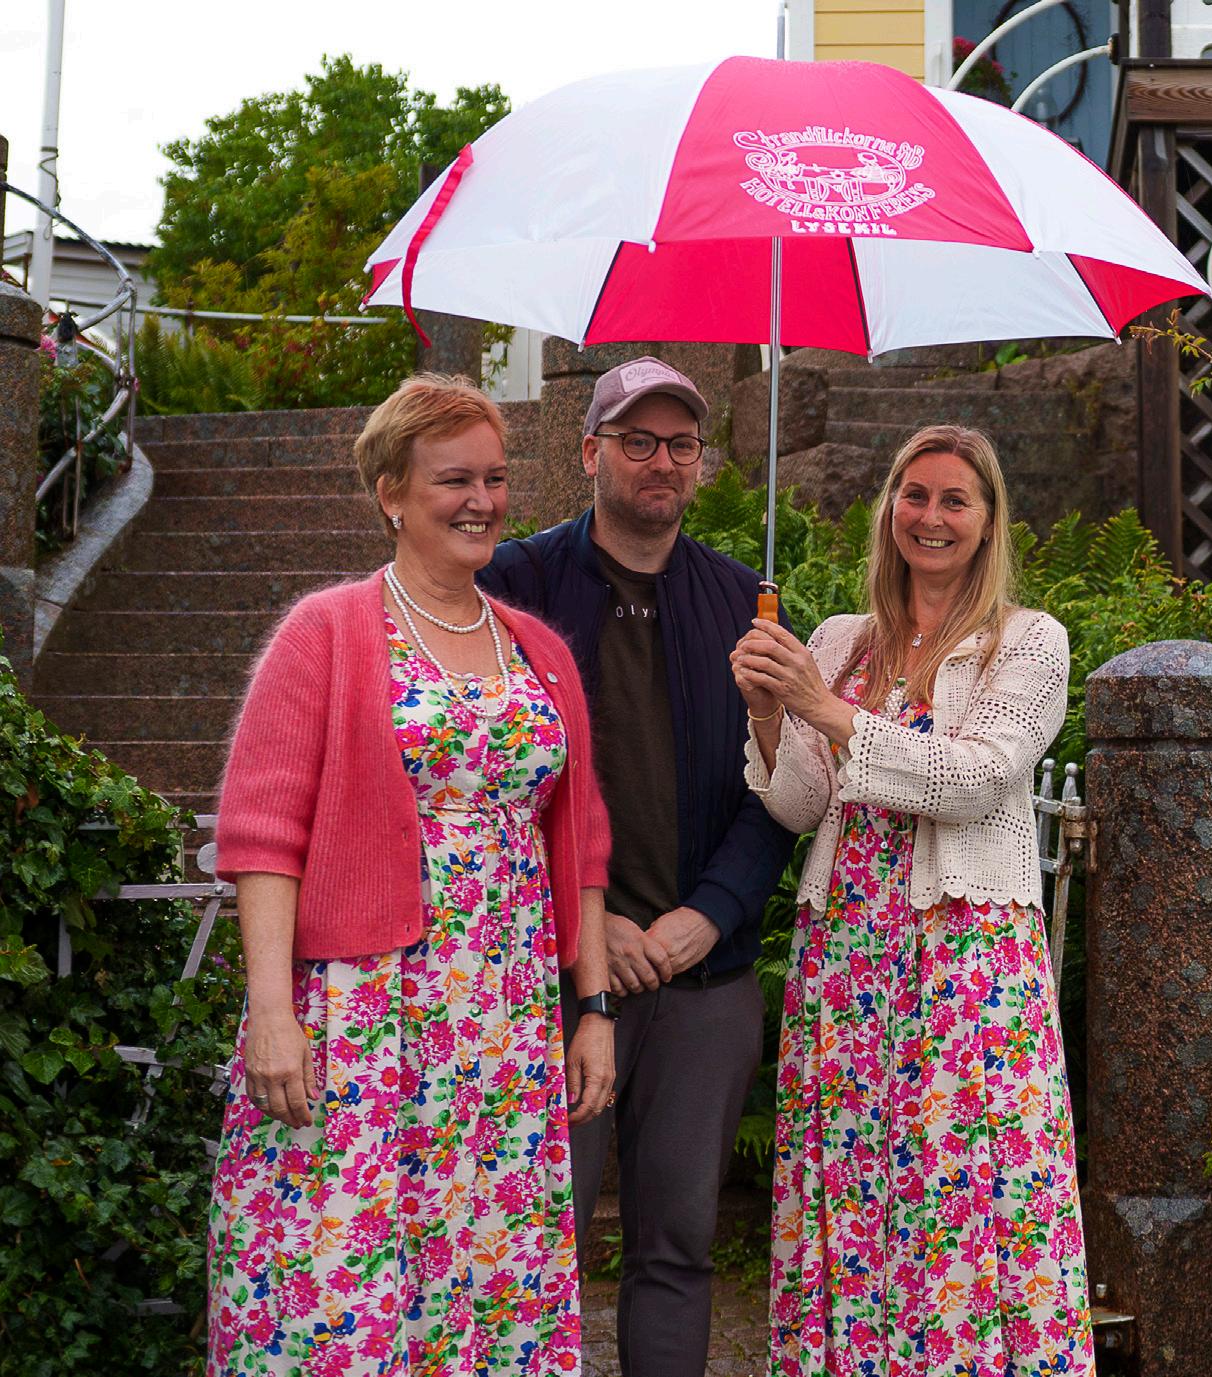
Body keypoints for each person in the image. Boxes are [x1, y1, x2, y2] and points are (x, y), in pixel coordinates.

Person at [206, 374, 616, 1377]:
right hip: (366, 1007)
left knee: (486, 1263)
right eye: (453, 479)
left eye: (496, 478)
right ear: (391, 492)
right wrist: (272, 1013)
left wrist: (595, 1006)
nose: (481, 500)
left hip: (504, 1019)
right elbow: (262, 834)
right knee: (335, 1264)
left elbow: (582, 844)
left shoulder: (538, 651)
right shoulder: (327, 630)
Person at [731, 424, 1095, 1377]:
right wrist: (767, 708)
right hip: (847, 957)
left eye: (954, 500)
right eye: (915, 494)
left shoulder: (1026, 642)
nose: (931, 516)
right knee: (854, 1188)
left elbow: (974, 779)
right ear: (890, 506)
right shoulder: (839, 642)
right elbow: (801, 804)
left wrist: (823, 709)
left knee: (961, 1190)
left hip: (964, 959)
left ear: (987, 520)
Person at [478, 355, 795, 1376]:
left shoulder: (745, 600)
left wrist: (714, 909)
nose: (661, 461)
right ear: (589, 452)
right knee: (528, 1243)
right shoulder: (513, 585)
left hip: (702, 975)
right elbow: (488, 782)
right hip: (552, 978)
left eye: (681, 444)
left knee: (677, 1246)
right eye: (637, 441)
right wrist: (585, 917)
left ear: (702, 462)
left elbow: (783, 784)